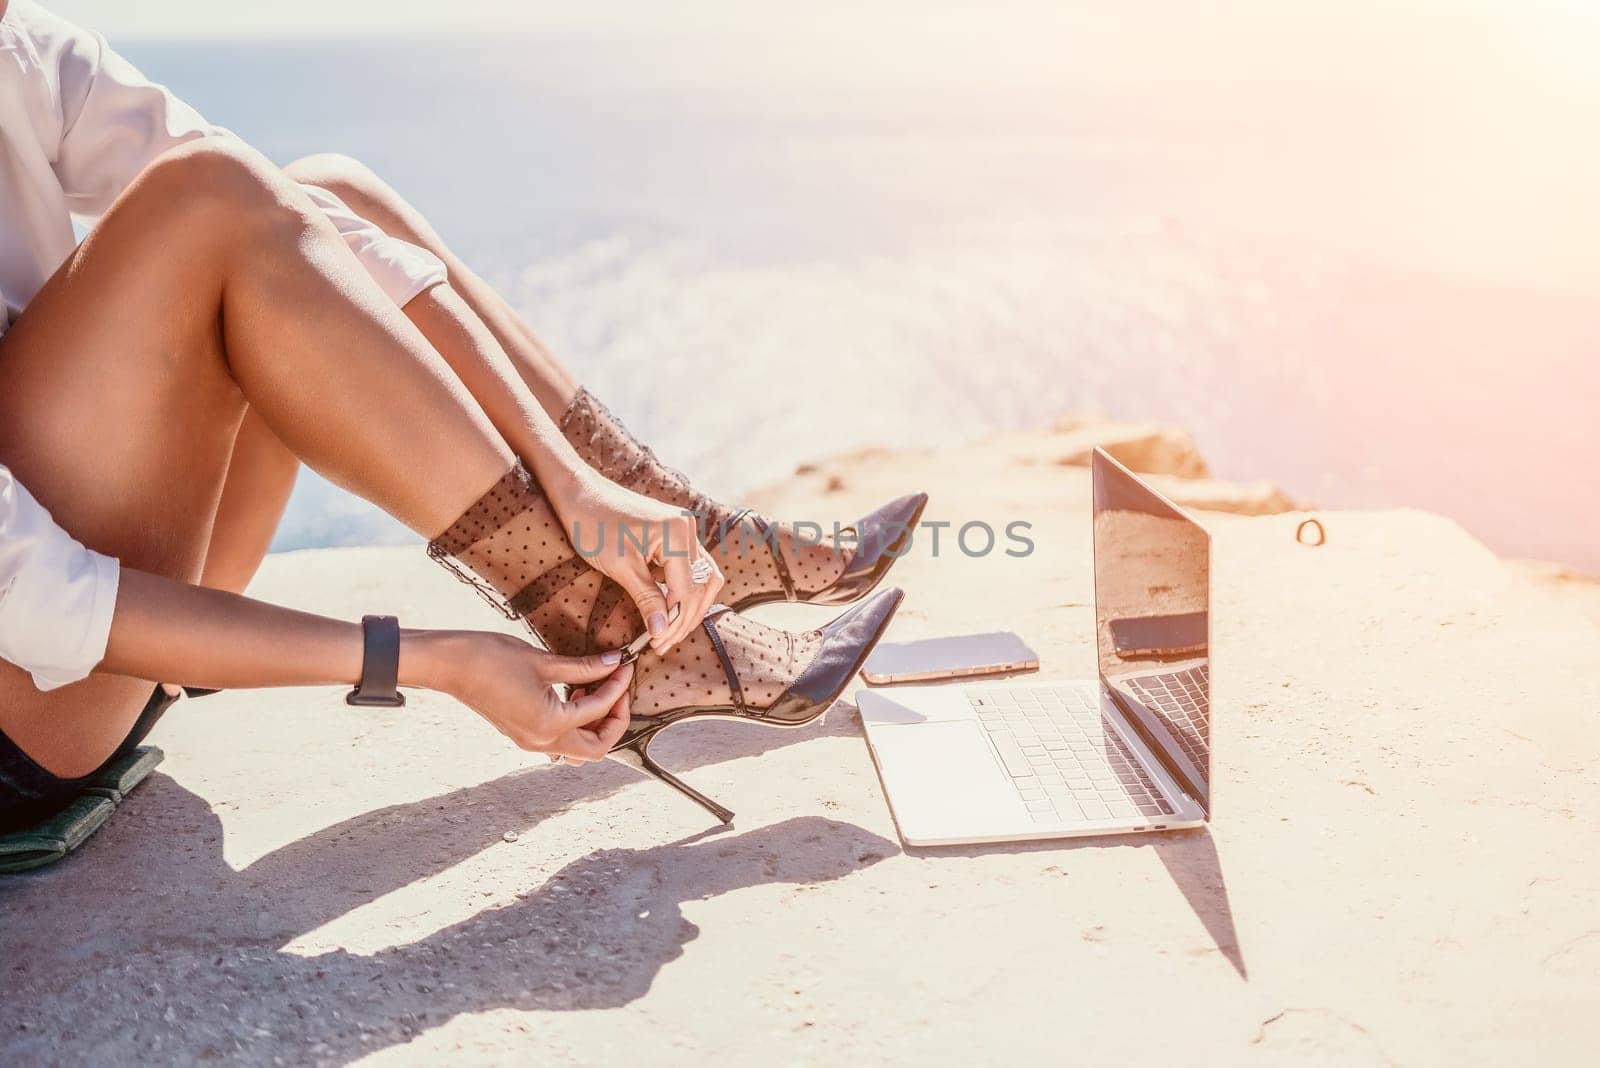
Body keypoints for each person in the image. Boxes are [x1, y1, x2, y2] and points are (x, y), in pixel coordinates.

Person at [0, 1, 920, 829]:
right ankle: (599, 622)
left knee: (329, 192)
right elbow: (42, 601)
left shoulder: (20, 46)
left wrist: (574, 472)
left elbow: (310, 225)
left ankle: (681, 523)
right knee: (207, 196)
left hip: (120, 623)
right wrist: (431, 660)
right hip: (38, 698)